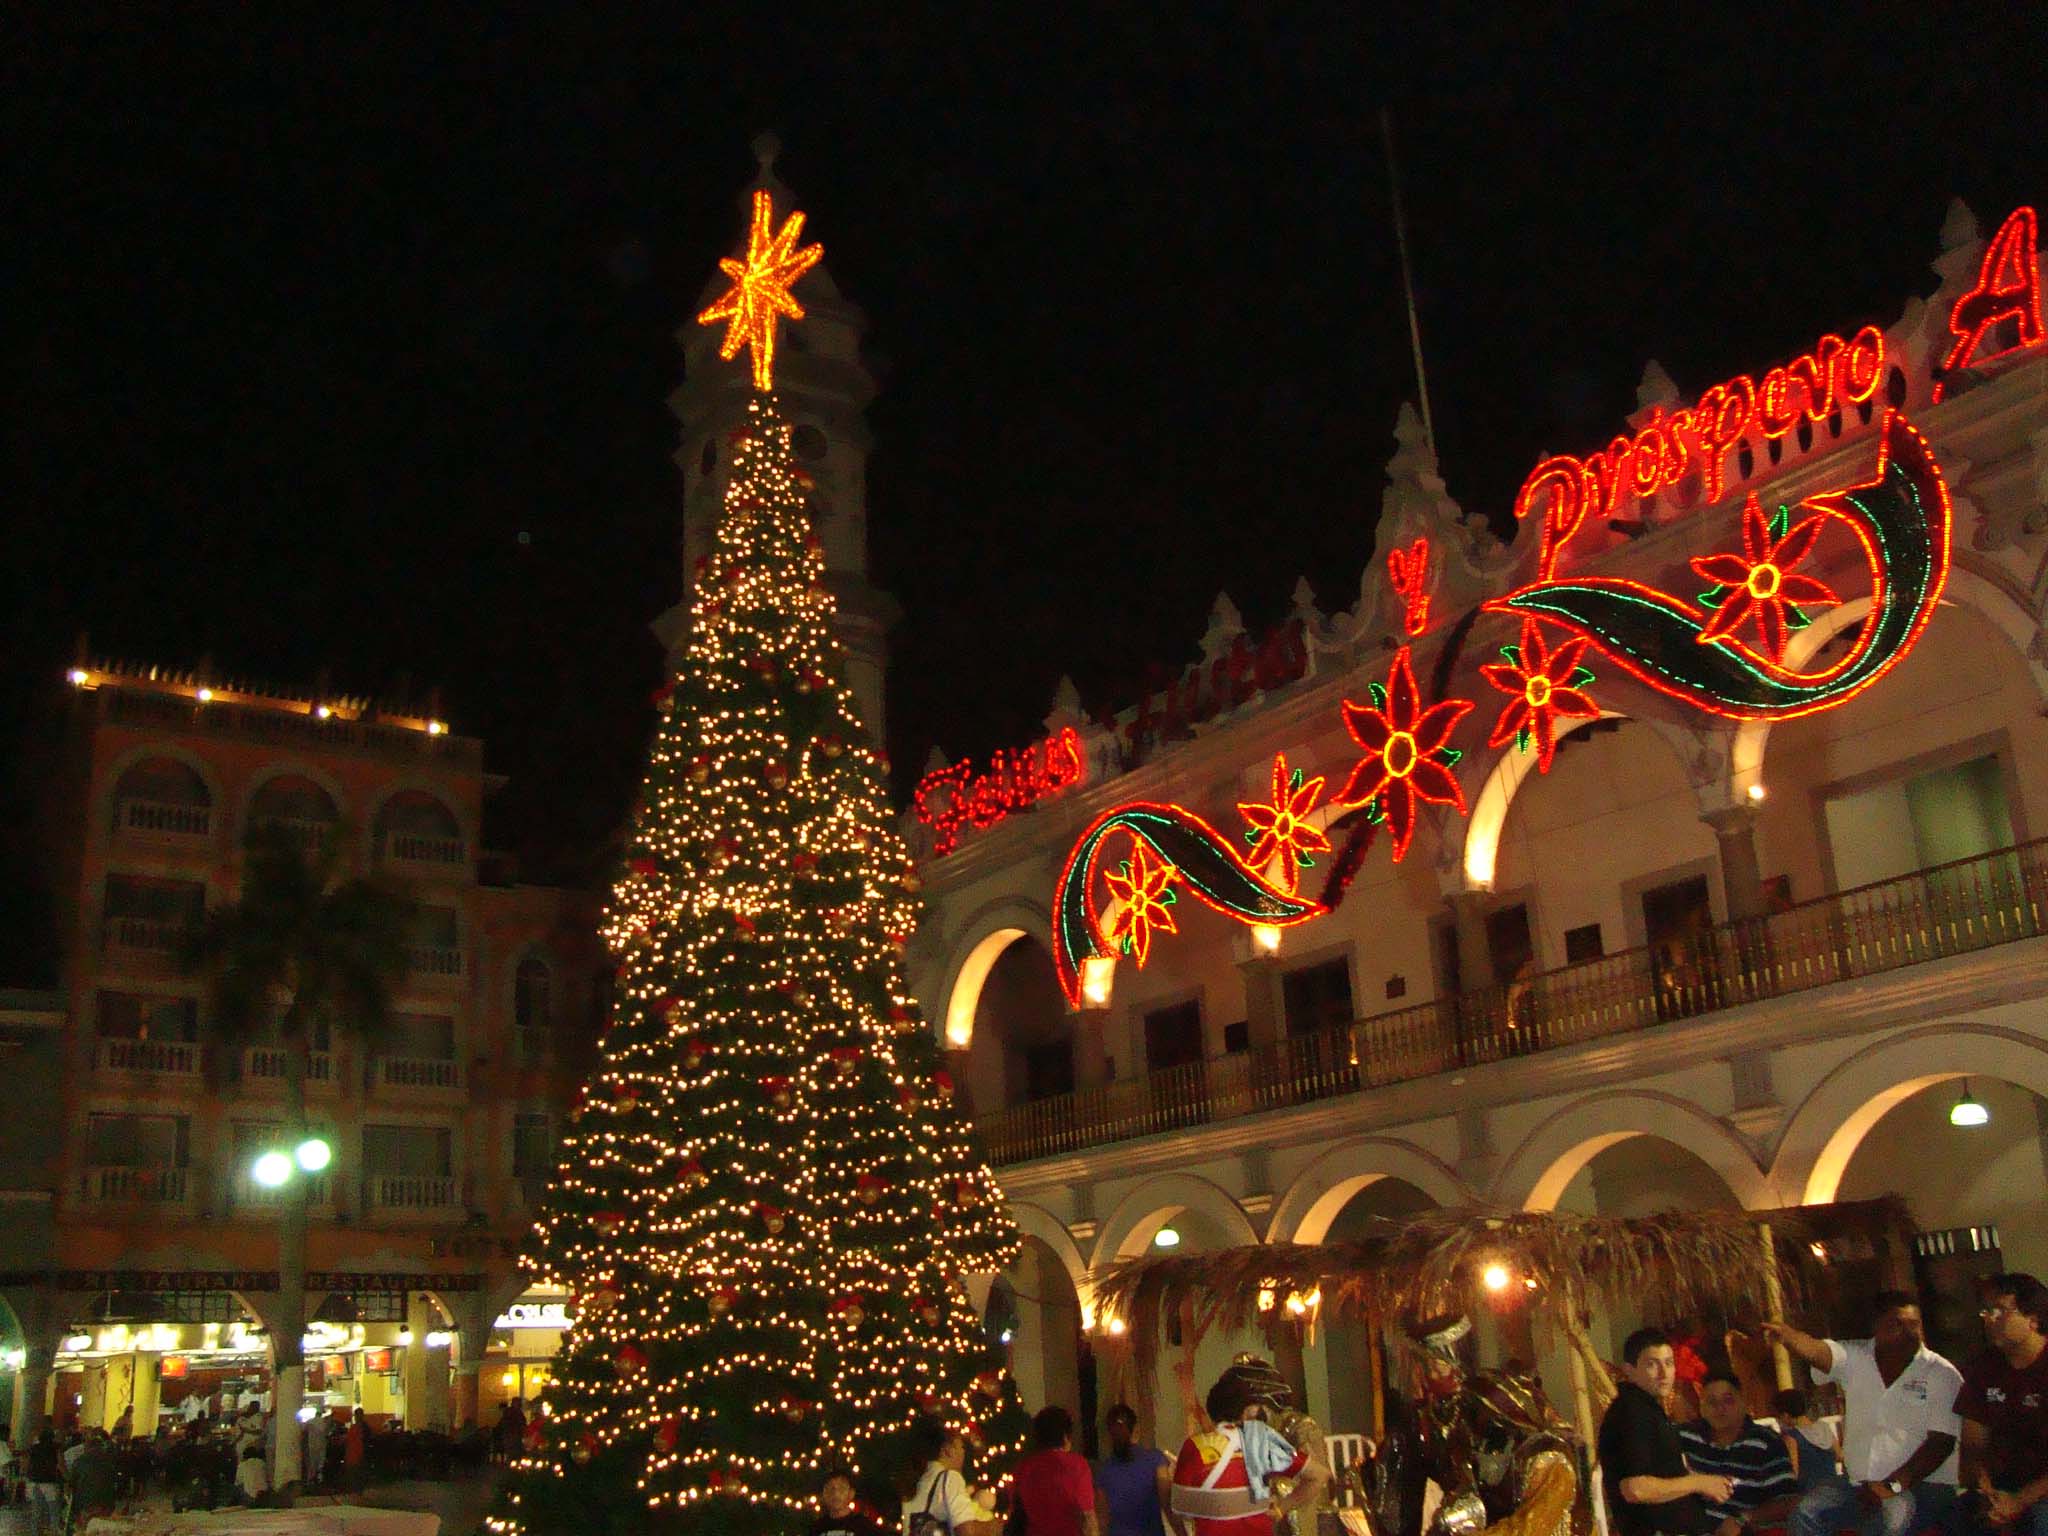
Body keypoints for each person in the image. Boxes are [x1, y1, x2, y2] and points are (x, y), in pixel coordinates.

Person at [1765, 1289, 1960, 1536]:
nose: (1910, 1332)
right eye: (1897, 1324)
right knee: (1804, 1514)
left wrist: (1892, 1485)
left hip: (1921, 1485)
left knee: (1890, 1520)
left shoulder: (1941, 1373)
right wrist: (1788, 1336)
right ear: (1876, 1327)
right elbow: (1819, 1352)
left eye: (1915, 1324)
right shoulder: (1856, 1357)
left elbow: (1941, 1444)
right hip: (1857, 1483)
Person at [1598, 1327, 1729, 1536]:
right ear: (1630, 1370)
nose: (1663, 1373)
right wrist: (1698, 1483)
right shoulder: (1632, 1413)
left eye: (1669, 1363)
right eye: (1652, 1364)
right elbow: (1635, 1489)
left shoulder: (1646, 1409)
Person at [1170, 1363, 1328, 1534]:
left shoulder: (1194, 1447)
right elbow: (1319, 1475)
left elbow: (1180, 1509)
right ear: (1246, 1411)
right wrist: (1282, 1508)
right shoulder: (1263, 1445)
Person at [1955, 1272, 2048, 1536]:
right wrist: (1988, 1491)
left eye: (2001, 1310)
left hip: (2041, 1490)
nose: (1990, 1318)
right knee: (1958, 1516)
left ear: (2033, 1319)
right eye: (1986, 1311)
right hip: (2001, 1488)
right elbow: (1973, 1445)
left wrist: (2019, 1502)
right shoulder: (1983, 1368)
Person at [1678, 1371, 1798, 1536]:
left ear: (1742, 1402)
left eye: (1728, 1400)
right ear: (1702, 1407)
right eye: (1712, 1402)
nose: (1720, 1409)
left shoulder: (1765, 1442)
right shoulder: (1687, 1436)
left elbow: (1788, 1501)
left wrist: (1742, 1518)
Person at [1012, 1405, 1098, 1536]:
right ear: (1065, 1436)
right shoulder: (1076, 1464)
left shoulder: (1023, 1467)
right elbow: (1087, 1516)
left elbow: (1017, 1511)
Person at [902, 1422, 1000, 1535]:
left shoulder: (916, 1478)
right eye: (961, 1447)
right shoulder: (950, 1478)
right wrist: (992, 1526)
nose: (964, 1452)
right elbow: (967, 1531)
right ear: (947, 1450)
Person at [1096, 1404, 1179, 1536]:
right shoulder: (1156, 1460)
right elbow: (1168, 1505)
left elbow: (1102, 1520)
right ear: (1136, 1430)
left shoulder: (1103, 1471)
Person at [1773, 1389, 1842, 1495]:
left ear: (1785, 1415)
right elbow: (1839, 1455)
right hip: (1834, 1492)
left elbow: (1793, 1474)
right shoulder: (1824, 1427)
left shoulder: (1792, 1437)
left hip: (1808, 1497)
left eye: (1777, 1417)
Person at [808, 1467, 891, 1536]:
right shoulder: (817, 1528)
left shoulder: (864, 1526)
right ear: (823, 1495)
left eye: (841, 1488)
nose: (835, 1494)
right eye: (830, 1489)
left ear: (851, 1494)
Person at [70, 1430, 121, 1525]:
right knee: (103, 1529)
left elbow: (72, 1483)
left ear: (88, 1447)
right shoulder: (110, 1460)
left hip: (85, 1502)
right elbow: (116, 1480)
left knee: (86, 1529)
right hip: (105, 1502)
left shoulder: (79, 1461)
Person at [26, 1426, 63, 1536]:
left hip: (35, 1482)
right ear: (52, 1437)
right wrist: (68, 1478)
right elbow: (61, 1464)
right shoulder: (56, 1448)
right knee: (53, 1512)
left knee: (36, 1512)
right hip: (50, 1482)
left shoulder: (33, 1448)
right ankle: (54, 1533)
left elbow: (26, 1464)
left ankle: (35, 1533)